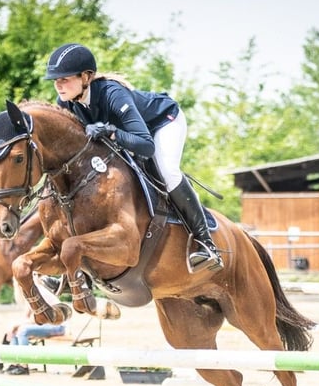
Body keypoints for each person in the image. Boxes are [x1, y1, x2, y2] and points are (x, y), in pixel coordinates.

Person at [43, 42, 223, 273]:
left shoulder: (112, 94)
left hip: (162, 123)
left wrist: (111, 131)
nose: (58, 85)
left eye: (64, 79)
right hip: (130, 135)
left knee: (166, 170)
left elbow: (146, 145)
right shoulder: (66, 103)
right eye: (56, 80)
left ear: (86, 77)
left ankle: (206, 243)